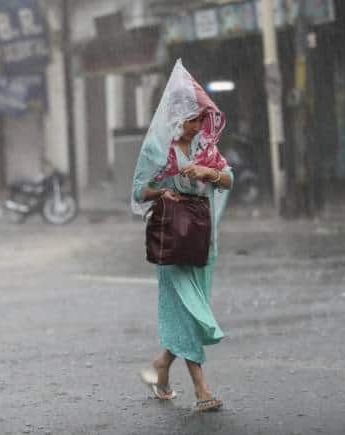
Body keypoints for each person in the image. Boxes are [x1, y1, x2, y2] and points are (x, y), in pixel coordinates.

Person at [131, 60, 233, 413]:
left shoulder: (206, 146)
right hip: (172, 238)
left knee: (191, 309)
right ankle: (202, 390)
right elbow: (138, 191)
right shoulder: (157, 151)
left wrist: (208, 171)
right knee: (189, 311)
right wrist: (163, 193)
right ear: (176, 118)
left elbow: (228, 179)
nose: (198, 125)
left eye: (200, 119)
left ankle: (161, 367)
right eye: (192, 119)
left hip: (202, 237)